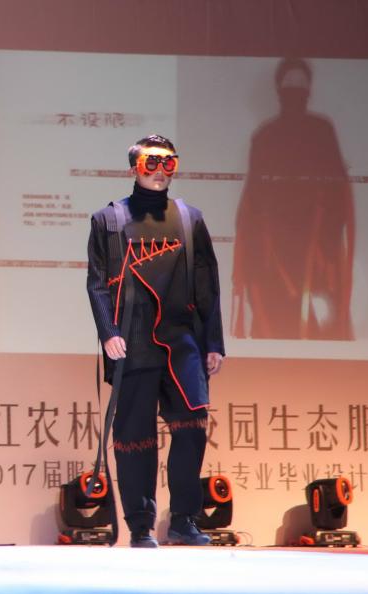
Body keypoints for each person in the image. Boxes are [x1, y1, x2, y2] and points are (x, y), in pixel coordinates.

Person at [86, 135, 225, 548]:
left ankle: (183, 519)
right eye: (152, 162)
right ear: (135, 167)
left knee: (192, 427)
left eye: (169, 162)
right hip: (132, 340)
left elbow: (207, 282)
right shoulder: (109, 219)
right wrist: (108, 333)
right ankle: (140, 525)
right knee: (135, 436)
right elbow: (97, 283)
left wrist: (213, 341)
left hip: (183, 340)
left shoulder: (190, 218)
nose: (160, 171)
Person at [232, 58, 354, 340]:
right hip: (273, 248)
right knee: (273, 318)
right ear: (279, 90)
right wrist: (250, 255)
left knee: (320, 325)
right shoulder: (265, 136)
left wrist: (327, 241)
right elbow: (253, 198)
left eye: (301, 86)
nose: (296, 93)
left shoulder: (321, 131)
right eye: (290, 86)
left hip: (315, 244)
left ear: (308, 90)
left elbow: (338, 192)